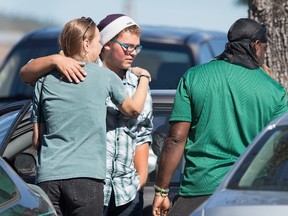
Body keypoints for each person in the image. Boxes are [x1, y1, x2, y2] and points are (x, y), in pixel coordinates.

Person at [151, 18, 288, 216]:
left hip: (198, 190)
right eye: (264, 50)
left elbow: (175, 138)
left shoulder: (194, 77)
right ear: (256, 45)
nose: (263, 56)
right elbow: (279, 150)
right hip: (245, 193)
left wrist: (161, 191)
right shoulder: (275, 91)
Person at [20, 14, 153, 216]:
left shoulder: (44, 80)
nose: (99, 48)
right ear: (86, 43)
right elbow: (134, 110)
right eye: (99, 42)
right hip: (87, 178)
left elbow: (37, 138)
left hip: (49, 177)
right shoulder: (105, 77)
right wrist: (145, 77)